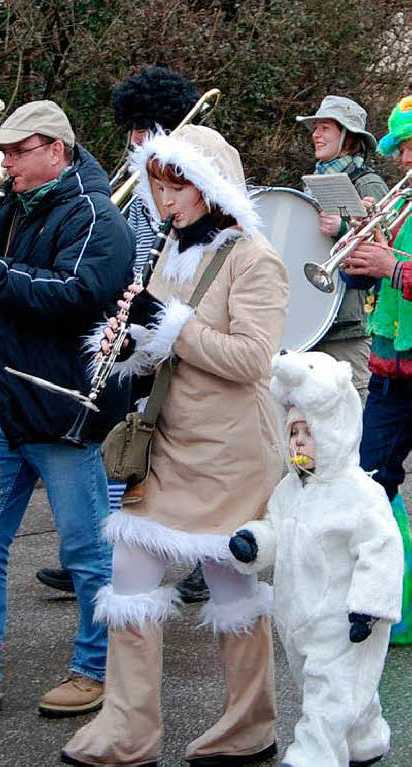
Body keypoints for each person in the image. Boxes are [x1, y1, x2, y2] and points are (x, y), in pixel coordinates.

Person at [62, 124, 287, 767]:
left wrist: (168, 324)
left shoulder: (255, 258)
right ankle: (127, 731)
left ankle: (250, 726)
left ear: (211, 188)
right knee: (131, 576)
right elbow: (164, 350)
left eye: (176, 185)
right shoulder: (167, 251)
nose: (164, 200)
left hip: (230, 449)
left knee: (231, 587)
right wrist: (128, 343)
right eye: (157, 186)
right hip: (168, 443)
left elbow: (252, 358)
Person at [0, 100, 134, 718]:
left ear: (56, 151)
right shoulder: (10, 207)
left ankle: (96, 670)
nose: (6, 163)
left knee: (86, 550)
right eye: (6, 152)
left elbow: (78, 298)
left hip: (56, 409)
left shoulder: (98, 217)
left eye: (18, 151)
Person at [37, 67, 211, 604]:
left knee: (188, 446)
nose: (133, 138)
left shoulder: (195, 181)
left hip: (178, 320)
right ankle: (104, 546)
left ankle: (209, 555)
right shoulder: (140, 186)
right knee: (128, 441)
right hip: (137, 320)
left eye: (144, 127)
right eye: (131, 128)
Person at [228, 351, 402, 767]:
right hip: (299, 617)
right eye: (293, 433)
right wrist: (254, 542)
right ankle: (366, 739)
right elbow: (277, 529)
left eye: (310, 431)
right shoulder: (289, 490)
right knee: (333, 689)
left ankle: (313, 756)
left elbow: (381, 549)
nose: (300, 441)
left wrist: (368, 607)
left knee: (329, 694)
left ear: (337, 429)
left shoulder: (359, 493)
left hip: (345, 621)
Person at [340, 94, 412, 645]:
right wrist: (363, 256)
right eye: (403, 148)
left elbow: (399, 274)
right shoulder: (404, 203)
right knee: (368, 481)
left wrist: (395, 266)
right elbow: (377, 282)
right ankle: (376, 601)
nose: (405, 159)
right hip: (393, 368)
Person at [297, 95, 389, 400]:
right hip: (310, 322)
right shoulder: (313, 183)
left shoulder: (368, 184)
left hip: (348, 326)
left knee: (353, 410)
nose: (315, 135)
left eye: (325, 128)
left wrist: (343, 230)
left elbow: (385, 242)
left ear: (348, 137)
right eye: (315, 128)